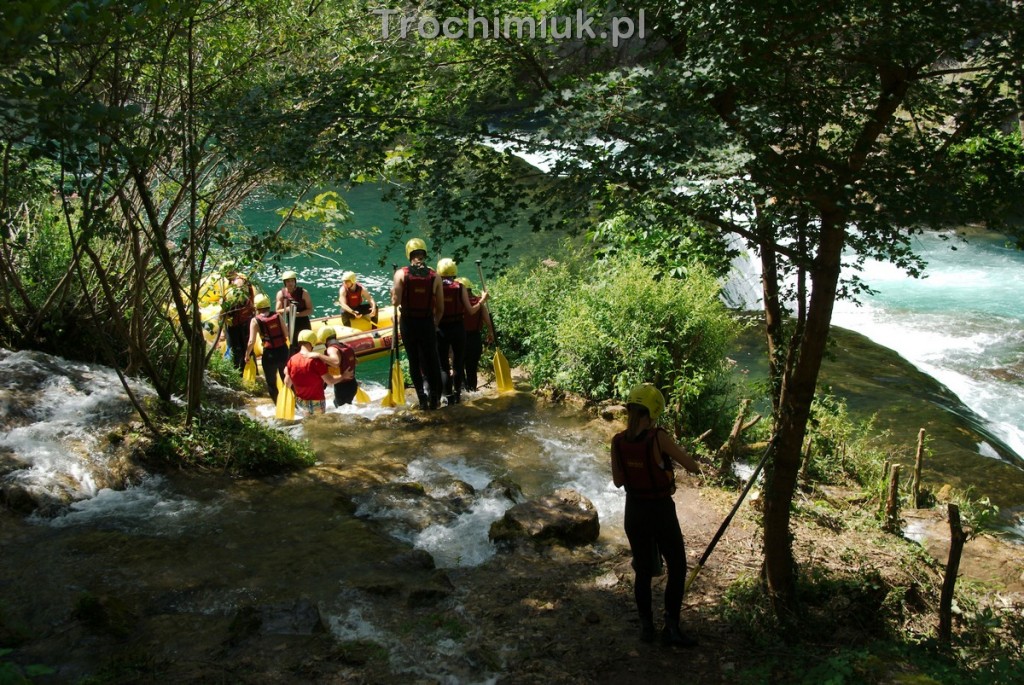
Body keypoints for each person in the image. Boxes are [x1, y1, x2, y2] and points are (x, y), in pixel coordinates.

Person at [610, 384, 703, 647]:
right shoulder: (658, 437)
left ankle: (646, 627)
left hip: (634, 512)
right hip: (660, 511)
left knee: (643, 570)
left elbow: (618, 481)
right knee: (677, 567)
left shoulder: (617, 441)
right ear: (652, 413)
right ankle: (671, 628)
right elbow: (692, 466)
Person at [392, 237, 444, 410]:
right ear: (424, 253)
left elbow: (396, 302)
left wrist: (393, 293)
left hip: (408, 323)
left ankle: (421, 398)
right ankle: (435, 398)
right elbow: (441, 308)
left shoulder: (400, 274)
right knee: (432, 360)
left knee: (414, 360)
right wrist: (434, 324)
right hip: (427, 323)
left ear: (409, 254)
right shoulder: (435, 276)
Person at [435, 259, 488, 405]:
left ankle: (448, 397)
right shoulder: (460, 286)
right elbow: (470, 310)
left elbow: (435, 310)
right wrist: (482, 300)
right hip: (458, 329)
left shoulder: (436, 287)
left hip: (442, 329)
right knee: (458, 364)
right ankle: (459, 395)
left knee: (444, 366)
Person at [284, 329, 341, 416]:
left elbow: (287, 384)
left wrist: (287, 373)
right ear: (313, 342)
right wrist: (343, 376)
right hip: (317, 401)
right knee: (318, 426)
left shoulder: (291, 360)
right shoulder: (315, 361)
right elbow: (330, 381)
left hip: (300, 401)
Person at [244, 294, 289, 403]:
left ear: (256, 307)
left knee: (271, 383)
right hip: (283, 352)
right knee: (287, 380)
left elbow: (251, 341)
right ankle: (294, 405)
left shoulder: (255, 321)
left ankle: (278, 405)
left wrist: (247, 355)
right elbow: (286, 333)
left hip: (269, 355)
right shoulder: (278, 316)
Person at [458, 277, 494, 392]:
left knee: (459, 367)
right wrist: (491, 333)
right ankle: (472, 390)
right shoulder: (479, 302)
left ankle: (463, 391)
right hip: (475, 339)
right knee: (472, 368)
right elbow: (488, 323)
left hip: (459, 338)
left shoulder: (457, 304)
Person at [310, 326, 358, 407]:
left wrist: (319, 355)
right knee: (339, 404)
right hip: (352, 384)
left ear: (324, 339)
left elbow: (336, 362)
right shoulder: (343, 346)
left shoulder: (331, 349)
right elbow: (356, 362)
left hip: (342, 387)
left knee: (342, 410)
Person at [221, 263, 255, 372]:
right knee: (237, 348)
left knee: (239, 349)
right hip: (237, 321)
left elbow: (235, 299)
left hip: (241, 321)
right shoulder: (233, 282)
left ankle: (241, 372)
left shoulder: (239, 281)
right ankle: (242, 371)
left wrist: (223, 305)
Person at [276, 270, 313, 351]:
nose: (290, 283)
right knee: (294, 345)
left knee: (306, 343)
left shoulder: (303, 293)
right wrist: (288, 309)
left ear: (295, 281)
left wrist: (297, 314)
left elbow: (310, 310)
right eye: (288, 281)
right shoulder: (281, 294)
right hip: (291, 323)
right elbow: (277, 311)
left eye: (292, 281)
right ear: (284, 282)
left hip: (303, 321)